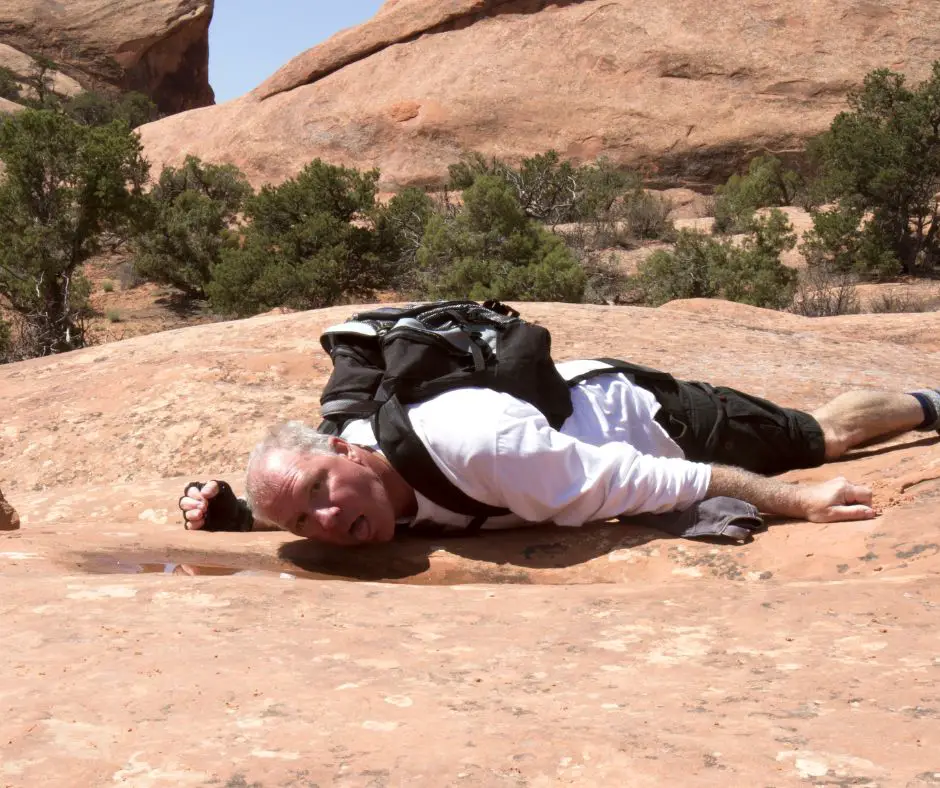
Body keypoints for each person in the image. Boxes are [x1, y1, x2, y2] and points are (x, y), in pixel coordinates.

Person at [178, 357, 940, 546]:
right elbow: (302, 508)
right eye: (303, 522)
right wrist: (234, 513)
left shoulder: (479, 447)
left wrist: (801, 500)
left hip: (651, 419)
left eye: (320, 488)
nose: (327, 517)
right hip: (574, 441)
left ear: (346, 451)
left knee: (819, 438)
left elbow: (651, 475)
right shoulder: (343, 498)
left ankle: (925, 403)